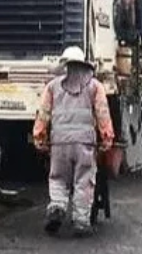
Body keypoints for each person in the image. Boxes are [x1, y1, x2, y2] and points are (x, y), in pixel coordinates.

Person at [33, 46, 115, 237]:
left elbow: (43, 114)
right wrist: (107, 138)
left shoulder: (52, 86)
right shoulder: (95, 86)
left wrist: (39, 137)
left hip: (59, 143)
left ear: (66, 65)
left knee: (58, 178)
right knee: (84, 181)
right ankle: (81, 221)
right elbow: (103, 114)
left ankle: (58, 207)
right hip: (85, 145)